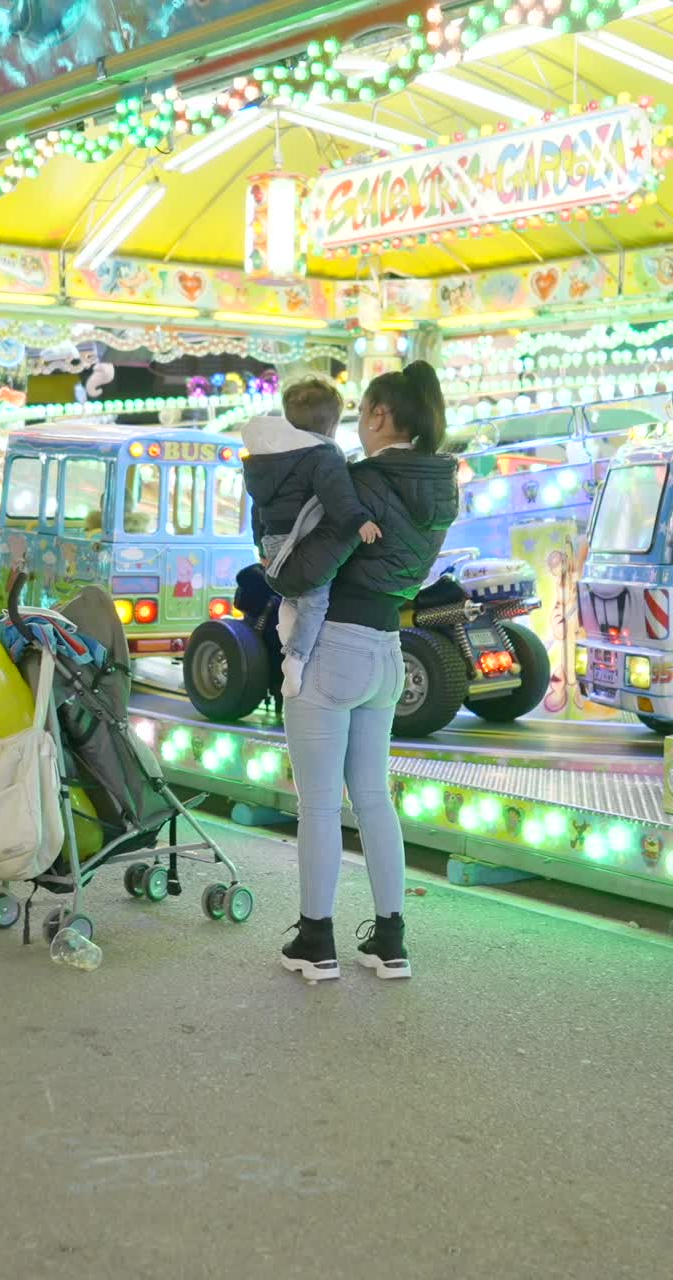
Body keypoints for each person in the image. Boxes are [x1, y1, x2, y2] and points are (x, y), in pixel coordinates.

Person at [269, 361, 459, 982]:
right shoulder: (438, 489)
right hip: (386, 648)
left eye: (362, 415)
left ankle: (316, 940)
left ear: (379, 415)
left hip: (334, 648)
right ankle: (390, 939)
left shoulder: (357, 484)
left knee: (319, 804)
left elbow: (304, 570)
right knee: (374, 797)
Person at [241, 377, 381, 697]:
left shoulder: (266, 458)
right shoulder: (323, 454)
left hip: (274, 541)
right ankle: (296, 660)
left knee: (294, 595)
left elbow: (257, 505)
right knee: (316, 601)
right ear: (332, 423)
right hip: (303, 539)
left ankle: (286, 630)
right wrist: (360, 521)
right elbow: (338, 495)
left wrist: (259, 543)